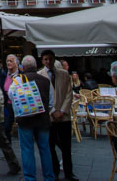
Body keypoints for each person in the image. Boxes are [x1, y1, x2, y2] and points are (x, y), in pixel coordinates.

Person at [12, 55, 54, 181]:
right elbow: (51, 102)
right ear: (36, 66)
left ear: (22, 67)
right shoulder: (46, 80)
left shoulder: (18, 80)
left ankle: (30, 178)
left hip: (25, 120)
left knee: (27, 149)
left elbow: (13, 98)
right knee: (45, 149)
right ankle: (49, 177)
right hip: (43, 120)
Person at [40, 50, 77, 181]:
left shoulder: (64, 74)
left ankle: (69, 173)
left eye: (50, 59)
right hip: (49, 118)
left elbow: (69, 93)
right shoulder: (40, 75)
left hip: (64, 116)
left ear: (54, 59)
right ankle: (54, 171)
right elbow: (41, 98)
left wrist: (62, 110)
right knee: (50, 147)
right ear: (42, 61)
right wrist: (52, 111)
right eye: (45, 59)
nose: (48, 62)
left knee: (66, 146)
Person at [2, 54, 21, 142]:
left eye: (11, 61)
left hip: (20, 104)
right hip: (8, 104)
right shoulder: (4, 74)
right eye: (7, 61)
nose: (8, 63)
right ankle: (8, 148)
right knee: (6, 127)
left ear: (16, 63)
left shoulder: (21, 74)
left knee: (21, 126)